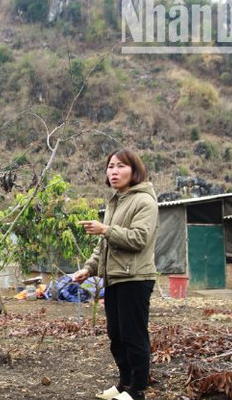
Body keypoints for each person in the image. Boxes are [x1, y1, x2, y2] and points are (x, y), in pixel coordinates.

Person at [73, 148, 158, 400]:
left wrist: (106, 229)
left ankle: (137, 390)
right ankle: (123, 384)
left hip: (136, 278)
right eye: (111, 166)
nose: (114, 171)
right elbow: (104, 246)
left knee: (134, 335)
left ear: (135, 170)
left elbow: (139, 239)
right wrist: (88, 269)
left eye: (121, 166)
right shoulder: (116, 201)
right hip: (115, 278)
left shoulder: (145, 201)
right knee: (117, 335)